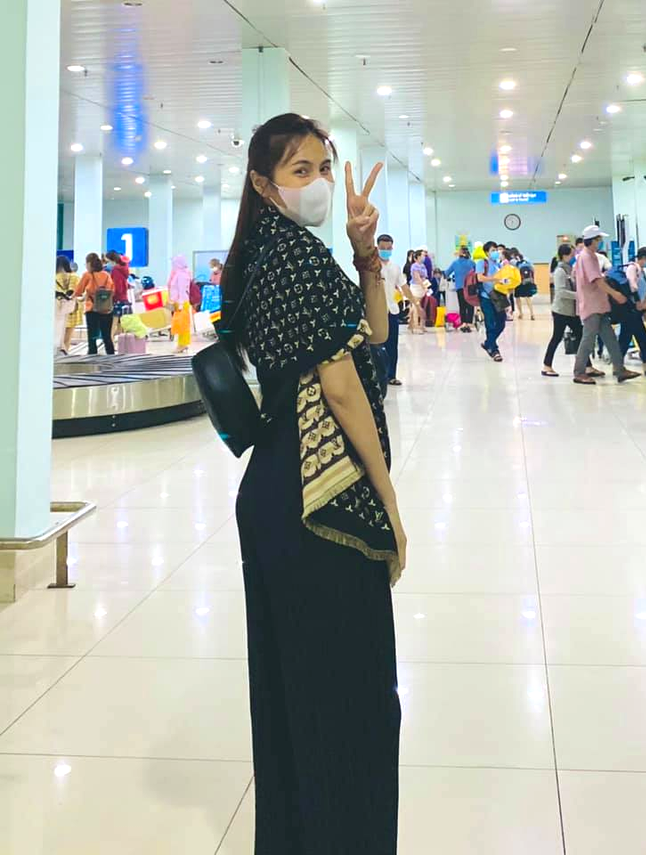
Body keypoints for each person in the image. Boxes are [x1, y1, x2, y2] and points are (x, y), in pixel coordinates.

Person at [220, 113, 404, 854]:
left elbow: (375, 335)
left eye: (324, 167)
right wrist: (390, 501)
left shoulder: (274, 250)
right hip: (317, 499)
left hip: (277, 489)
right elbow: (343, 388)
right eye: (301, 170)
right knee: (350, 696)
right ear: (265, 185)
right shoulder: (291, 255)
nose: (321, 183)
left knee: (299, 690)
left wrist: (364, 255)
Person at [573, 225, 640, 385]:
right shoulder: (587, 257)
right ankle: (579, 372)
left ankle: (619, 369)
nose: (600, 242)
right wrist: (615, 294)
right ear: (592, 240)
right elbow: (597, 281)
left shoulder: (589, 256)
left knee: (610, 338)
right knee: (588, 339)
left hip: (599, 305)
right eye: (599, 239)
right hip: (592, 306)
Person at [541, 243, 603, 378]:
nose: (574, 257)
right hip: (561, 311)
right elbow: (561, 292)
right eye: (572, 254)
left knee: (581, 336)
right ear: (564, 256)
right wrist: (579, 295)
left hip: (572, 311)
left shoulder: (570, 269)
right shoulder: (560, 271)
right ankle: (547, 365)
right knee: (557, 337)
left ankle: (587, 366)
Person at [72, 252, 115, 355]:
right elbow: (112, 290)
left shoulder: (87, 275)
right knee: (107, 336)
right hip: (106, 309)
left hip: (92, 309)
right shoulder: (106, 275)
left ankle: (92, 358)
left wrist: (73, 297)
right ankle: (111, 357)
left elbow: (78, 291)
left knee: (92, 337)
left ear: (89, 263)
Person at [378, 233, 404, 386]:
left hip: (392, 310)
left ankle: (391, 375)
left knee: (392, 345)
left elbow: (403, 286)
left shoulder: (395, 267)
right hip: (377, 311)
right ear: (377, 247)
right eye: (383, 248)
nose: (385, 251)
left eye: (388, 248)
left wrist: (415, 304)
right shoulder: (372, 266)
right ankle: (379, 376)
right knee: (377, 345)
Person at [619, 246, 646, 375]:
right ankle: (618, 366)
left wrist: (644, 310)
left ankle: (618, 366)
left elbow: (645, 291)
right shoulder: (632, 268)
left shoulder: (642, 272)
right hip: (630, 309)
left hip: (637, 310)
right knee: (636, 337)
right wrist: (637, 302)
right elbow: (632, 286)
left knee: (633, 337)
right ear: (644, 258)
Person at [477, 240, 507, 361]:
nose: (496, 252)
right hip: (486, 297)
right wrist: (495, 279)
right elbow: (480, 278)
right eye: (493, 250)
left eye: (496, 250)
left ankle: (488, 342)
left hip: (498, 296)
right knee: (490, 323)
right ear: (486, 252)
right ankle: (494, 350)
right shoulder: (482, 263)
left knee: (502, 321)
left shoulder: (498, 264)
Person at [445, 247, 476, 331]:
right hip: (470, 287)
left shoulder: (455, 263)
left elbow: (447, 273)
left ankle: (464, 323)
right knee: (470, 305)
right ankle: (470, 323)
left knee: (462, 306)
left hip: (460, 287)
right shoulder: (472, 262)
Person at [55, 255, 81, 354]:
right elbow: (79, 292)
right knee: (68, 336)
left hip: (58, 308)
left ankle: (59, 352)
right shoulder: (75, 277)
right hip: (71, 309)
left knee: (58, 334)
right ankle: (65, 352)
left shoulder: (53, 277)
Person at [167, 255, 192, 354]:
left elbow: (182, 290)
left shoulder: (182, 275)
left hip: (182, 303)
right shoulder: (179, 274)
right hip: (179, 302)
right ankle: (182, 344)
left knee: (182, 325)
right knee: (181, 324)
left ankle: (182, 344)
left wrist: (180, 304)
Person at [408, 249, 429, 333]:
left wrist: (425, 286)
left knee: (422, 307)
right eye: (423, 255)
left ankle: (421, 325)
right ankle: (415, 326)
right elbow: (417, 278)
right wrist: (423, 286)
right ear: (418, 257)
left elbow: (424, 277)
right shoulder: (414, 266)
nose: (424, 257)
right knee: (416, 307)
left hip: (423, 288)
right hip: (416, 288)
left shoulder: (423, 266)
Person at [512, 248, 536, 320]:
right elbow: (532, 269)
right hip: (527, 280)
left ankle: (521, 313)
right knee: (528, 297)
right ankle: (532, 313)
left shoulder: (513, 261)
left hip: (518, 281)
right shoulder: (526, 259)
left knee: (517, 297)